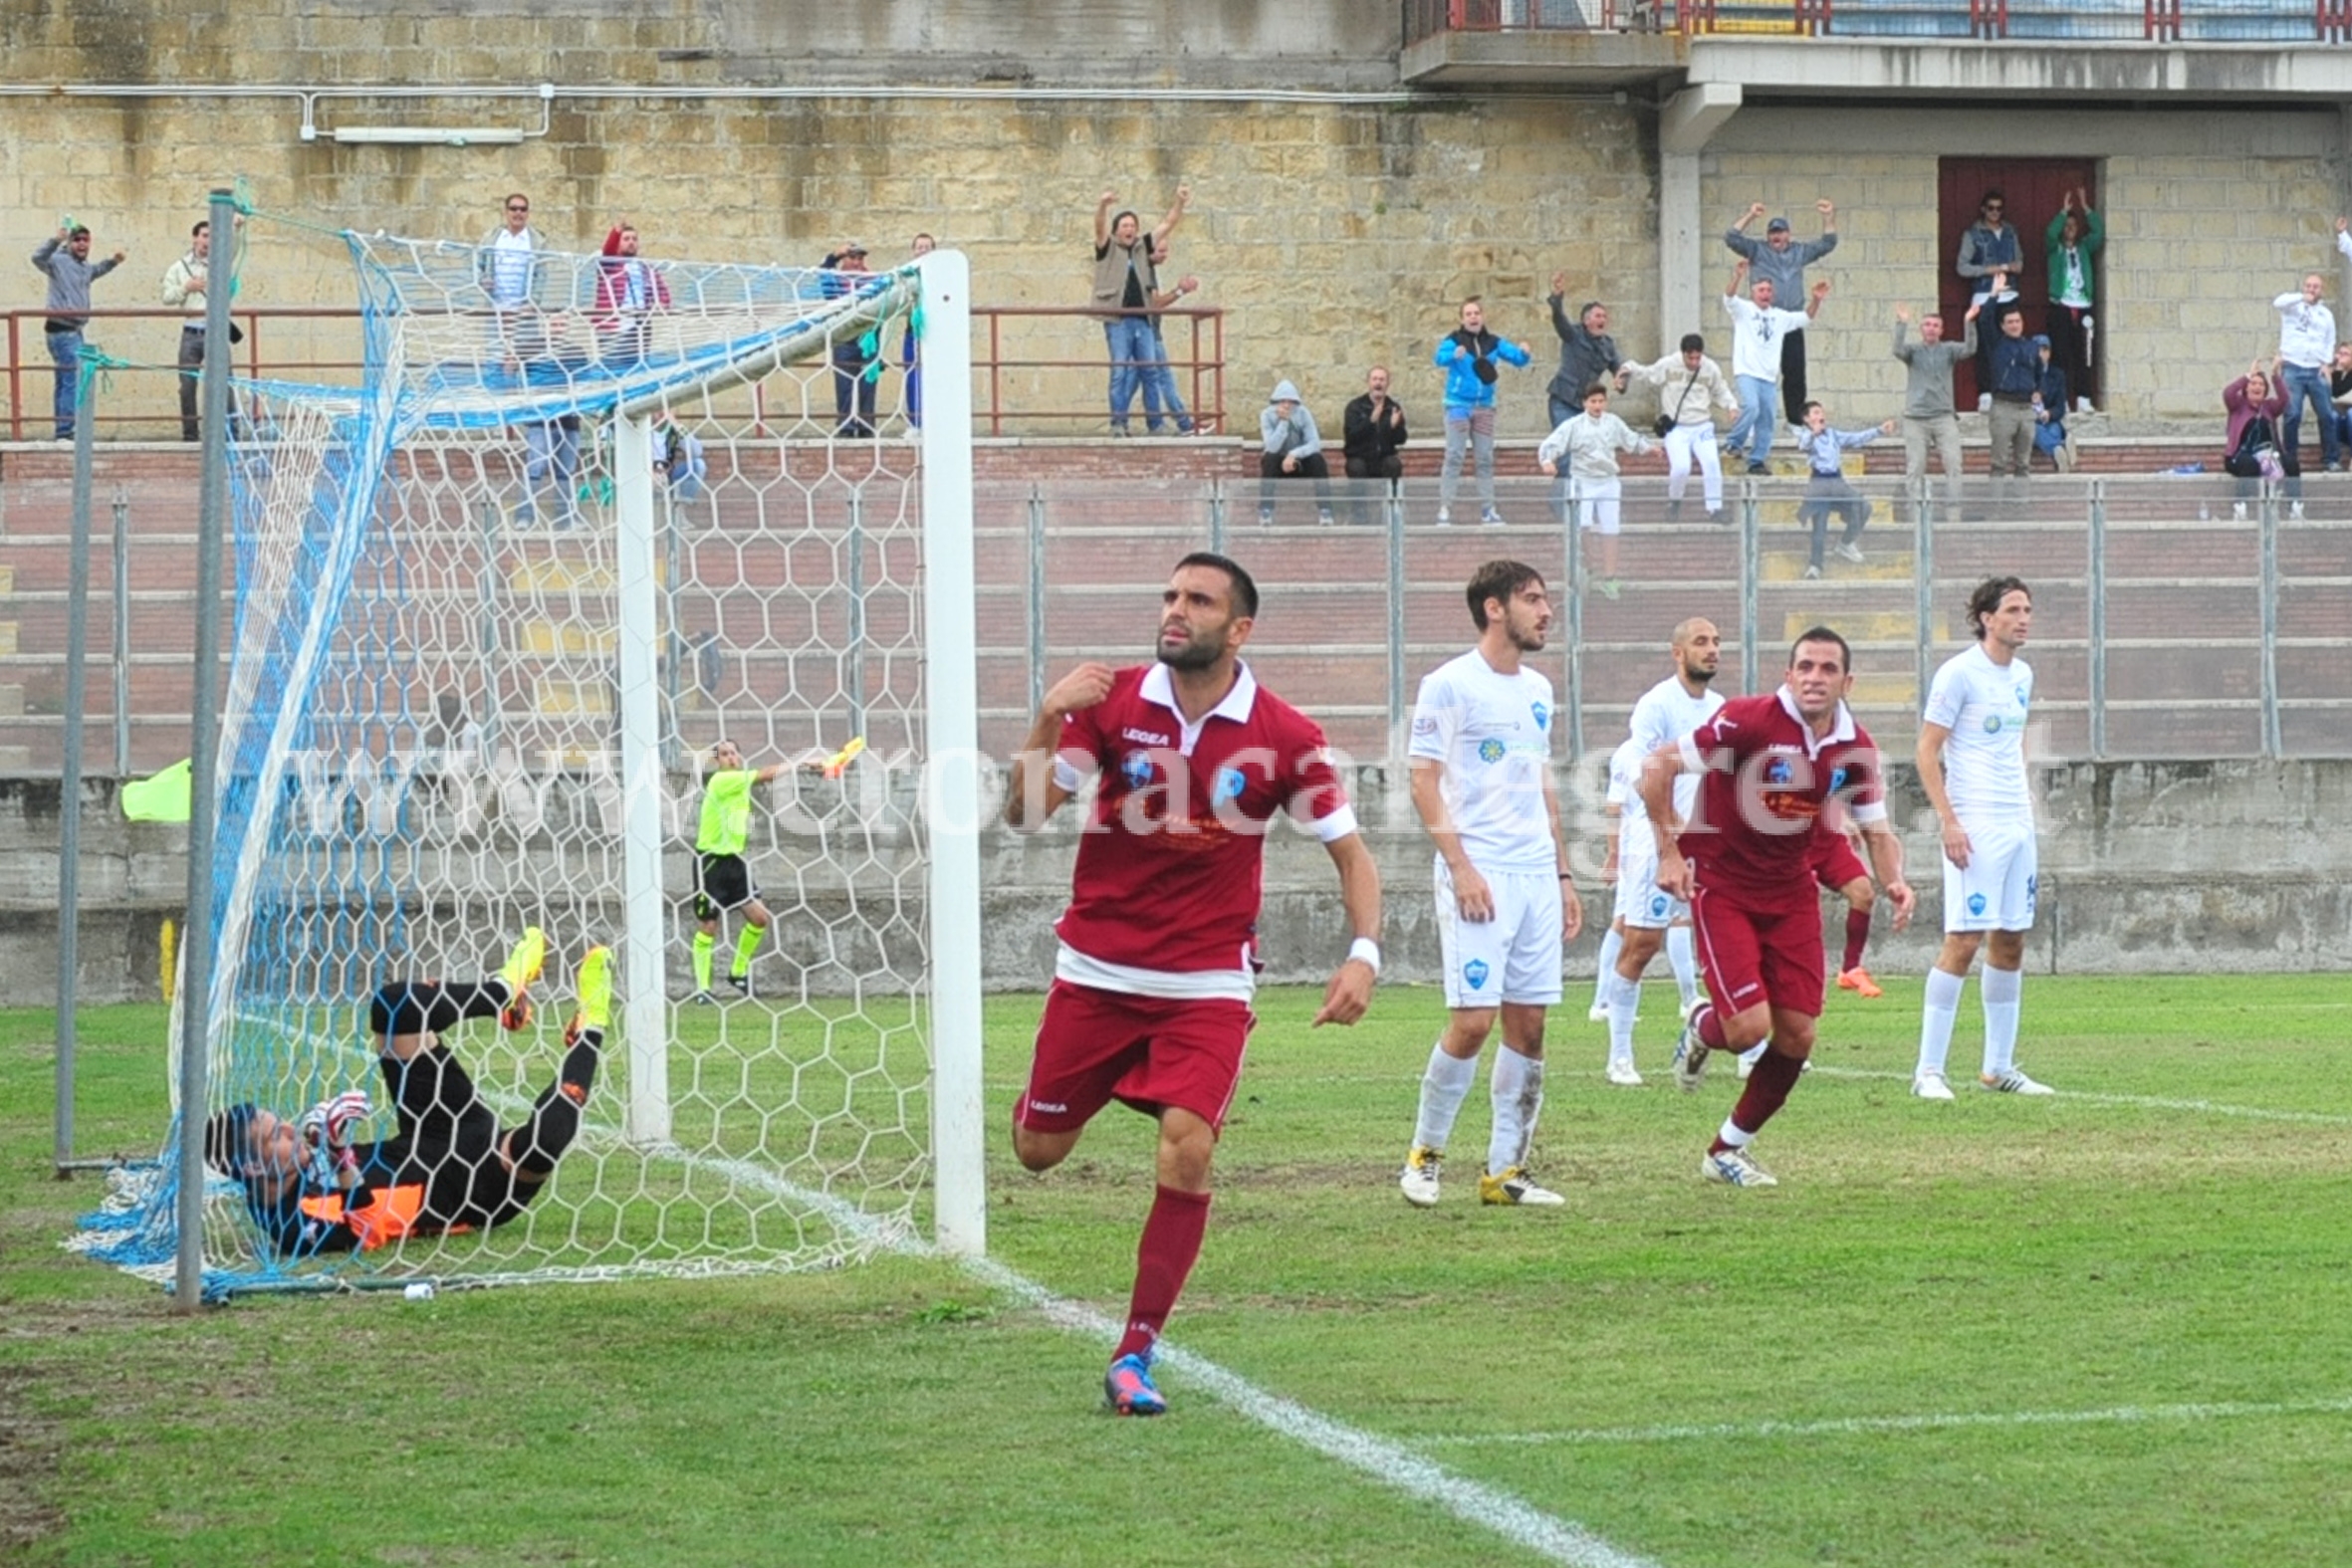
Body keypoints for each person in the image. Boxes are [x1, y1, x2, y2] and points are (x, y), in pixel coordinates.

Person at [1004, 552, 1381, 1417]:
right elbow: (1026, 813)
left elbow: (1352, 856)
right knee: (1037, 1152)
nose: (1175, 610)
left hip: (1208, 976)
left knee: (1189, 1145)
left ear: (1238, 629)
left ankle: (1136, 1351)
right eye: (1170, 596)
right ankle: (1139, 1085)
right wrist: (1044, 715)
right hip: (1095, 970)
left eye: (1198, 600)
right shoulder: (1109, 700)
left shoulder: (1287, 735)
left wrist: (1364, 952)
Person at [1642, 627, 1916, 1188]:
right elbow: (1658, 767)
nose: (1815, 678)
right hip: (1722, 884)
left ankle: (1726, 1150)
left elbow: (1876, 828)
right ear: (1788, 674)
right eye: (1806, 667)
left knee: (1797, 1036)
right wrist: (1668, 851)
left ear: (1847, 681)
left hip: (1791, 894)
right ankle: (1701, 1023)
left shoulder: (1854, 748)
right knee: (1746, 1030)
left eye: (1828, 669)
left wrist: (1896, 882)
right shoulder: (1747, 722)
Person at [202, 932, 605, 1258]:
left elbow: (318, 1146)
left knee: (395, 1007)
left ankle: (500, 993)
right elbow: (366, 1231)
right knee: (546, 1140)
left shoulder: (289, 1163)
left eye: (281, 1124)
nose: (288, 1129)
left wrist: (319, 1134)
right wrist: (340, 1152)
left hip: (430, 1133)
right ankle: (591, 1025)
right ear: (254, 1168)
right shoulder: (290, 1225)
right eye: (277, 1136)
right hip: (473, 1189)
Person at [1399, 560, 1582, 1204]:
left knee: (1528, 1025)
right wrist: (1461, 867)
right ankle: (1425, 1155)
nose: (1546, 610)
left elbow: (1539, 781)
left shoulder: (1537, 688)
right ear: (1495, 608)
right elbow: (1423, 779)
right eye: (1533, 599)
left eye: (1546, 597)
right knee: (1473, 1020)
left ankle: (1505, 1171)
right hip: (1479, 869)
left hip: (1534, 872)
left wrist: (1561, 872)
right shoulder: (1449, 684)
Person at [1911, 577, 2048, 1099]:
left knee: (2011, 940)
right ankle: (1928, 1071)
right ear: (1987, 618)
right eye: (2013, 609)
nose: (2023, 618)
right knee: (1963, 940)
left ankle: (1998, 1067)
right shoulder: (1958, 674)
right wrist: (1949, 819)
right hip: (1974, 822)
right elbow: (1926, 750)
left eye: (2028, 609)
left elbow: (2008, 746)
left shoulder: (2023, 675)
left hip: (2017, 822)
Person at [1596, 617, 1724, 1086]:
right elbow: (1652, 777)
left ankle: (1747, 1045)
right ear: (1678, 653)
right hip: (1653, 842)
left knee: (1729, 938)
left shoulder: (1721, 709)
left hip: (1706, 843)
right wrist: (1667, 841)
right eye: (1701, 642)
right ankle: (1620, 1057)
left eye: (1715, 643)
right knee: (1642, 943)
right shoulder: (1655, 706)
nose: (1712, 650)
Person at [1536, 381, 1655, 600]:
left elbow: (1631, 440)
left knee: (1611, 528)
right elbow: (1552, 444)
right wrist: (1547, 461)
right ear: (1584, 403)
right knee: (1583, 526)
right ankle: (1590, 566)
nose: (1597, 406)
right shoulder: (1575, 425)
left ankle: (1609, 577)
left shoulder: (1613, 423)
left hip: (1608, 481)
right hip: (1583, 481)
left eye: (1601, 401)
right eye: (1593, 401)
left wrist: (1650, 448)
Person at [1723, 200, 1839, 423]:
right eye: (1772, 232)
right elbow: (1731, 238)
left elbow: (1828, 243)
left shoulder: (1800, 252)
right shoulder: (1757, 250)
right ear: (1768, 236)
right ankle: (1756, 420)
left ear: (1788, 234)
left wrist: (1828, 217)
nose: (1776, 236)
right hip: (1764, 320)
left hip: (1790, 320)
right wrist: (1750, 215)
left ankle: (1796, 422)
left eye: (1781, 232)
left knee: (1795, 371)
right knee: (1758, 372)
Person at [691, 740, 786, 1003]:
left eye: (733, 753)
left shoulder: (740, 782)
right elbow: (766, 775)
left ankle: (738, 972)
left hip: (733, 861)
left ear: (740, 757)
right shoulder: (722, 782)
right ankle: (702, 989)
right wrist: (800, 764)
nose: (730, 758)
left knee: (759, 918)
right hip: (710, 862)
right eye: (724, 754)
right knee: (708, 926)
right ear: (717, 761)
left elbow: (764, 779)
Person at [1090, 185, 1189, 436]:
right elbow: (1099, 226)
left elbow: (1168, 224)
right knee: (1119, 372)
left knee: (1150, 372)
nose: (1130, 229)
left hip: (1143, 320)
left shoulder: (1143, 247)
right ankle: (1118, 424)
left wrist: (1179, 201)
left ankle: (1155, 425)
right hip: (1118, 321)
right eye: (1124, 226)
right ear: (1116, 231)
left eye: (1132, 225)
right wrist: (1103, 205)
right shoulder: (1107, 247)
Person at [1433, 297, 1531, 526]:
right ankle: (1445, 508)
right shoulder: (1454, 340)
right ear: (1462, 319)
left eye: (1476, 313)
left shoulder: (1494, 343)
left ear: (1482, 316)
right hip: (1457, 406)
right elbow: (1438, 358)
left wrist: (1525, 353)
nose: (1473, 317)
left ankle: (1489, 509)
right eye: (1468, 314)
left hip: (1484, 408)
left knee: (1485, 459)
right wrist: (1452, 355)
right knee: (1455, 456)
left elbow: (1517, 358)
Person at [1721, 260, 1826, 474]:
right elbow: (1729, 298)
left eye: (1769, 290)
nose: (1765, 293)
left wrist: (1816, 300)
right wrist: (1737, 276)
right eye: (1761, 290)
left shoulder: (1779, 316)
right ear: (1753, 293)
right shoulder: (1744, 310)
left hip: (1768, 377)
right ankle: (1734, 442)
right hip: (1747, 371)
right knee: (1751, 407)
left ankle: (1757, 460)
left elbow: (1806, 318)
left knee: (1767, 419)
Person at [1626, 334, 1738, 523]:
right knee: (1681, 467)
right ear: (1683, 354)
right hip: (1677, 427)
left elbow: (1720, 389)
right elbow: (1648, 373)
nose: (1694, 362)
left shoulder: (1710, 368)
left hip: (1701, 424)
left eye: (1697, 357)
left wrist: (1731, 406)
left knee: (1711, 463)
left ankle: (1714, 509)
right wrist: (1628, 368)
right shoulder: (1669, 364)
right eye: (1690, 358)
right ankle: (1674, 500)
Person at [31, 222, 124, 441]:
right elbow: (37, 258)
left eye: (86, 240)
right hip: (62, 330)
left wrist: (113, 262)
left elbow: (95, 271)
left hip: (75, 330)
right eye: (77, 240)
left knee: (65, 379)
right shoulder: (58, 261)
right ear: (70, 242)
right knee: (71, 378)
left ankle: (63, 428)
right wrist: (55, 240)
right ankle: (66, 430)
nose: (82, 244)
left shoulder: (83, 267)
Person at [1893, 299, 1980, 520]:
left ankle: (1954, 513)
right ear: (1921, 329)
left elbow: (1970, 349)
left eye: (1935, 325)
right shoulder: (1913, 351)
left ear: (1941, 330)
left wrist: (1968, 321)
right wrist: (1901, 324)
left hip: (1943, 417)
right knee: (1916, 466)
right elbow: (1897, 350)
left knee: (1953, 463)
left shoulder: (1948, 350)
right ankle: (1914, 513)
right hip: (1915, 418)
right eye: (1926, 324)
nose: (1931, 328)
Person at [160, 216, 244, 443]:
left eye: (213, 237)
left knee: (224, 383)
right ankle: (190, 435)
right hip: (191, 331)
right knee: (187, 385)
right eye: (205, 236)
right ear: (195, 238)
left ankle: (231, 434)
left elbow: (234, 248)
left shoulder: (219, 262)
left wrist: (235, 227)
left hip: (215, 331)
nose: (209, 241)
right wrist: (186, 287)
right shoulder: (179, 267)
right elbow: (166, 297)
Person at [1790, 401, 1897, 578]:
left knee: (1863, 507)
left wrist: (1879, 430)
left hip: (1837, 482)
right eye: (1815, 413)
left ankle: (1845, 543)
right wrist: (1813, 434)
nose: (1820, 416)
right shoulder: (1805, 434)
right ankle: (1815, 566)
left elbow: (1855, 438)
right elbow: (1804, 446)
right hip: (1819, 484)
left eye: (1821, 412)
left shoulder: (1832, 434)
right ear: (1807, 418)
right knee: (1820, 525)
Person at [2272, 264, 2342, 479]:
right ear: (2304, 287)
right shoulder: (2292, 306)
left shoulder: (2325, 314)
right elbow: (2278, 302)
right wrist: (2301, 297)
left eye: (2316, 287)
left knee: (2328, 414)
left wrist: (2326, 363)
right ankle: (2290, 459)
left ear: (2322, 290)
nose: (2312, 289)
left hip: (2315, 369)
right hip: (2293, 367)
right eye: (2309, 285)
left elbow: (2330, 340)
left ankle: (2331, 459)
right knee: (2292, 415)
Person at [1957, 189, 2023, 409]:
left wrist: (2009, 268)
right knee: (1985, 345)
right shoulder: (1972, 233)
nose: (1995, 212)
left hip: (2009, 293)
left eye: (1999, 208)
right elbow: (1962, 267)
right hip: (1984, 295)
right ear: (1983, 209)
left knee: (2011, 344)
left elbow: (2019, 263)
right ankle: (1985, 392)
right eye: (1991, 208)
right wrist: (1989, 270)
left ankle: (2008, 390)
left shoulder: (2010, 231)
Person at [1543, 276, 1630, 428]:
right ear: (1586, 320)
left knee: (1586, 448)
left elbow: (1621, 368)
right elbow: (1559, 320)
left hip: (1587, 404)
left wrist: (1621, 381)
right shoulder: (1572, 334)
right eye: (1598, 316)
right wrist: (1557, 298)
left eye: (1604, 316)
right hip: (1563, 401)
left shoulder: (1608, 345)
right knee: (1566, 444)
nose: (1602, 319)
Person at [2043, 188, 2101, 412]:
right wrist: (2062, 213)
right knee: (2061, 354)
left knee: (2084, 352)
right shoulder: (2055, 249)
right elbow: (2050, 234)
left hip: (2083, 305)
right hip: (2061, 305)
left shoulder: (2084, 247)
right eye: (2066, 226)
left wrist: (2086, 208)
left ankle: (2084, 397)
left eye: (2073, 226)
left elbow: (2099, 233)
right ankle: (2062, 399)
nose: (2069, 229)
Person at [1140, 240, 1206, 436]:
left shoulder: (1145, 268)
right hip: (1149, 332)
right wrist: (1180, 291)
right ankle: (1184, 424)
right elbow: (1154, 304)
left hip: (1147, 332)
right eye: (1161, 251)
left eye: (1166, 250)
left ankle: (1131, 423)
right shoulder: (1145, 269)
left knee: (1137, 379)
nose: (1165, 255)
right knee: (1163, 378)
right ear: (1149, 252)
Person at [2222, 359, 2294, 521]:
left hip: (2267, 457)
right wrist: (2248, 375)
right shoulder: (2237, 405)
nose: (2257, 387)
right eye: (2253, 383)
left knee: (2291, 463)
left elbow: (2284, 400)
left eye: (2261, 384)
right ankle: (2240, 506)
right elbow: (2228, 393)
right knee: (2250, 465)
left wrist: (2275, 375)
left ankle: (2295, 506)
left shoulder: (2269, 408)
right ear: (2246, 388)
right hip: (2238, 456)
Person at [1984, 303, 2042, 496]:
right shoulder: (1997, 343)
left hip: (2026, 409)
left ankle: (2022, 506)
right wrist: (1993, 296)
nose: (2014, 325)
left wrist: (2040, 390)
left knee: (2023, 463)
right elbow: (1985, 319)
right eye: (2010, 322)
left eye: (2017, 321)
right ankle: (1995, 506)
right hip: (2003, 407)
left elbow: (2040, 373)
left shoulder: (2033, 347)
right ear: (2002, 326)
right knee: (1999, 463)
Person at [1257, 379, 1335, 525]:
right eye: (1282, 401)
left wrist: (1294, 454)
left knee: (1317, 460)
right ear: (1276, 401)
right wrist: (1283, 422)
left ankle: (1325, 510)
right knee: (1269, 459)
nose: (1286, 405)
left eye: (1290, 401)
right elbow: (1271, 446)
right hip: (1277, 462)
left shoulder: (1303, 413)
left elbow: (1314, 443)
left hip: (1299, 461)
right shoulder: (1267, 415)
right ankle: (1266, 510)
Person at [821, 242, 878, 438]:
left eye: (859, 258)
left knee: (867, 383)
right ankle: (846, 426)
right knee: (845, 383)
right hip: (845, 337)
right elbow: (823, 273)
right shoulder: (835, 281)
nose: (856, 262)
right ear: (844, 260)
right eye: (852, 257)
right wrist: (835, 255)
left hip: (868, 337)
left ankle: (866, 426)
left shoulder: (873, 281)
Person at [593, 219, 670, 366]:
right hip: (616, 323)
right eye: (626, 239)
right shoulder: (609, 264)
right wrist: (615, 233)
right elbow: (607, 251)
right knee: (614, 366)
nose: (631, 242)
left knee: (639, 365)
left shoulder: (644, 267)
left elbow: (661, 287)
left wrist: (663, 302)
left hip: (641, 323)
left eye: (634, 239)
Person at [1341, 364, 1409, 522]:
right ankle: (1359, 513)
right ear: (1368, 382)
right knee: (1356, 467)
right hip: (1360, 457)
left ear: (1387, 384)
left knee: (1393, 464)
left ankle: (1391, 511)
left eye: (1382, 380)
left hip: (1383, 457)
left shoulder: (1393, 407)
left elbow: (1401, 439)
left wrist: (1393, 427)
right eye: (1375, 379)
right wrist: (1371, 421)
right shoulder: (1355, 407)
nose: (1378, 383)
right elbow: (1351, 437)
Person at [479, 192, 541, 322]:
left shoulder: (537, 241)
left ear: (528, 213)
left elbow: (541, 275)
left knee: (527, 342)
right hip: (495, 310)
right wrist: (483, 279)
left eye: (523, 209)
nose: (518, 213)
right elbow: (477, 264)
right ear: (506, 212)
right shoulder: (491, 238)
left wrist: (533, 303)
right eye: (513, 208)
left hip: (525, 312)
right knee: (495, 342)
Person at [902, 232, 934, 433]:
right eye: (919, 247)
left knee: (937, 376)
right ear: (913, 251)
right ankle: (916, 423)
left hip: (936, 333)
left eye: (927, 247)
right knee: (912, 376)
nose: (923, 250)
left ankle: (936, 422)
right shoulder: (906, 274)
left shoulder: (943, 275)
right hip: (913, 331)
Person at [2031, 336, 2077, 473]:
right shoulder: (2024, 375)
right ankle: (2058, 448)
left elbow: (2060, 407)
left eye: (2045, 350)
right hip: (2030, 420)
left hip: (2049, 419)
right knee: (2036, 431)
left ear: (2049, 353)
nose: (2041, 354)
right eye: (2037, 350)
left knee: (2054, 429)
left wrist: (2049, 413)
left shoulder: (2057, 375)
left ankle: (2059, 451)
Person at [654, 414, 708, 508]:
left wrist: (678, 426)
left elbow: (696, 451)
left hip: (668, 474)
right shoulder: (640, 428)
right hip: (645, 473)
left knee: (698, 465)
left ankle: (681, 502)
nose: (661, 412)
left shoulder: (671, 430)